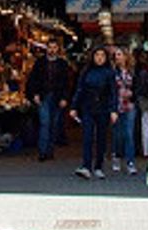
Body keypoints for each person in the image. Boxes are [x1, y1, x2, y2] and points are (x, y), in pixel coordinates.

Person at [70, 46, 116, 180]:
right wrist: (74, 106)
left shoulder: (109, 72)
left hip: (103, 107)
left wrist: (113, 109)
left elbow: (113, 92)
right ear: (92, 57)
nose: (100, 58)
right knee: (87, 137)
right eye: (97, 55)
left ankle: (99, 166)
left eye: (102, 55)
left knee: (101, 138)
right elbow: (79, 89)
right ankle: (86, 166)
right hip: (87, 107)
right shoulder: (86, 71)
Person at [26, 39, 71, 161]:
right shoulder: (40, 63)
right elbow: (33, 79)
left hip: (57, 96)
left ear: (58, 49)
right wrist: (34, 94)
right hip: (43, 96)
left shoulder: (62, 64)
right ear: (47, 48)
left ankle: (50, 150)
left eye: (54, 47)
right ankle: (42, 151)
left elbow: (67, 82)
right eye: (50, 47)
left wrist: (65, 98)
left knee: (53, 124)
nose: (52, 50)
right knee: (45, 123)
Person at [111, 47, 137, 174]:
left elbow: (138, 86)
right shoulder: (112, 72)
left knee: (129, 133)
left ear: (126, 56)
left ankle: (130, 161)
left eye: (120, 54)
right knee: (117, 134)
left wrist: (133, 96)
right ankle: (116, 156)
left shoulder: (133, 71)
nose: (117, 57)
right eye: (116, 55)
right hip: (116, 106)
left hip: (129, 105)